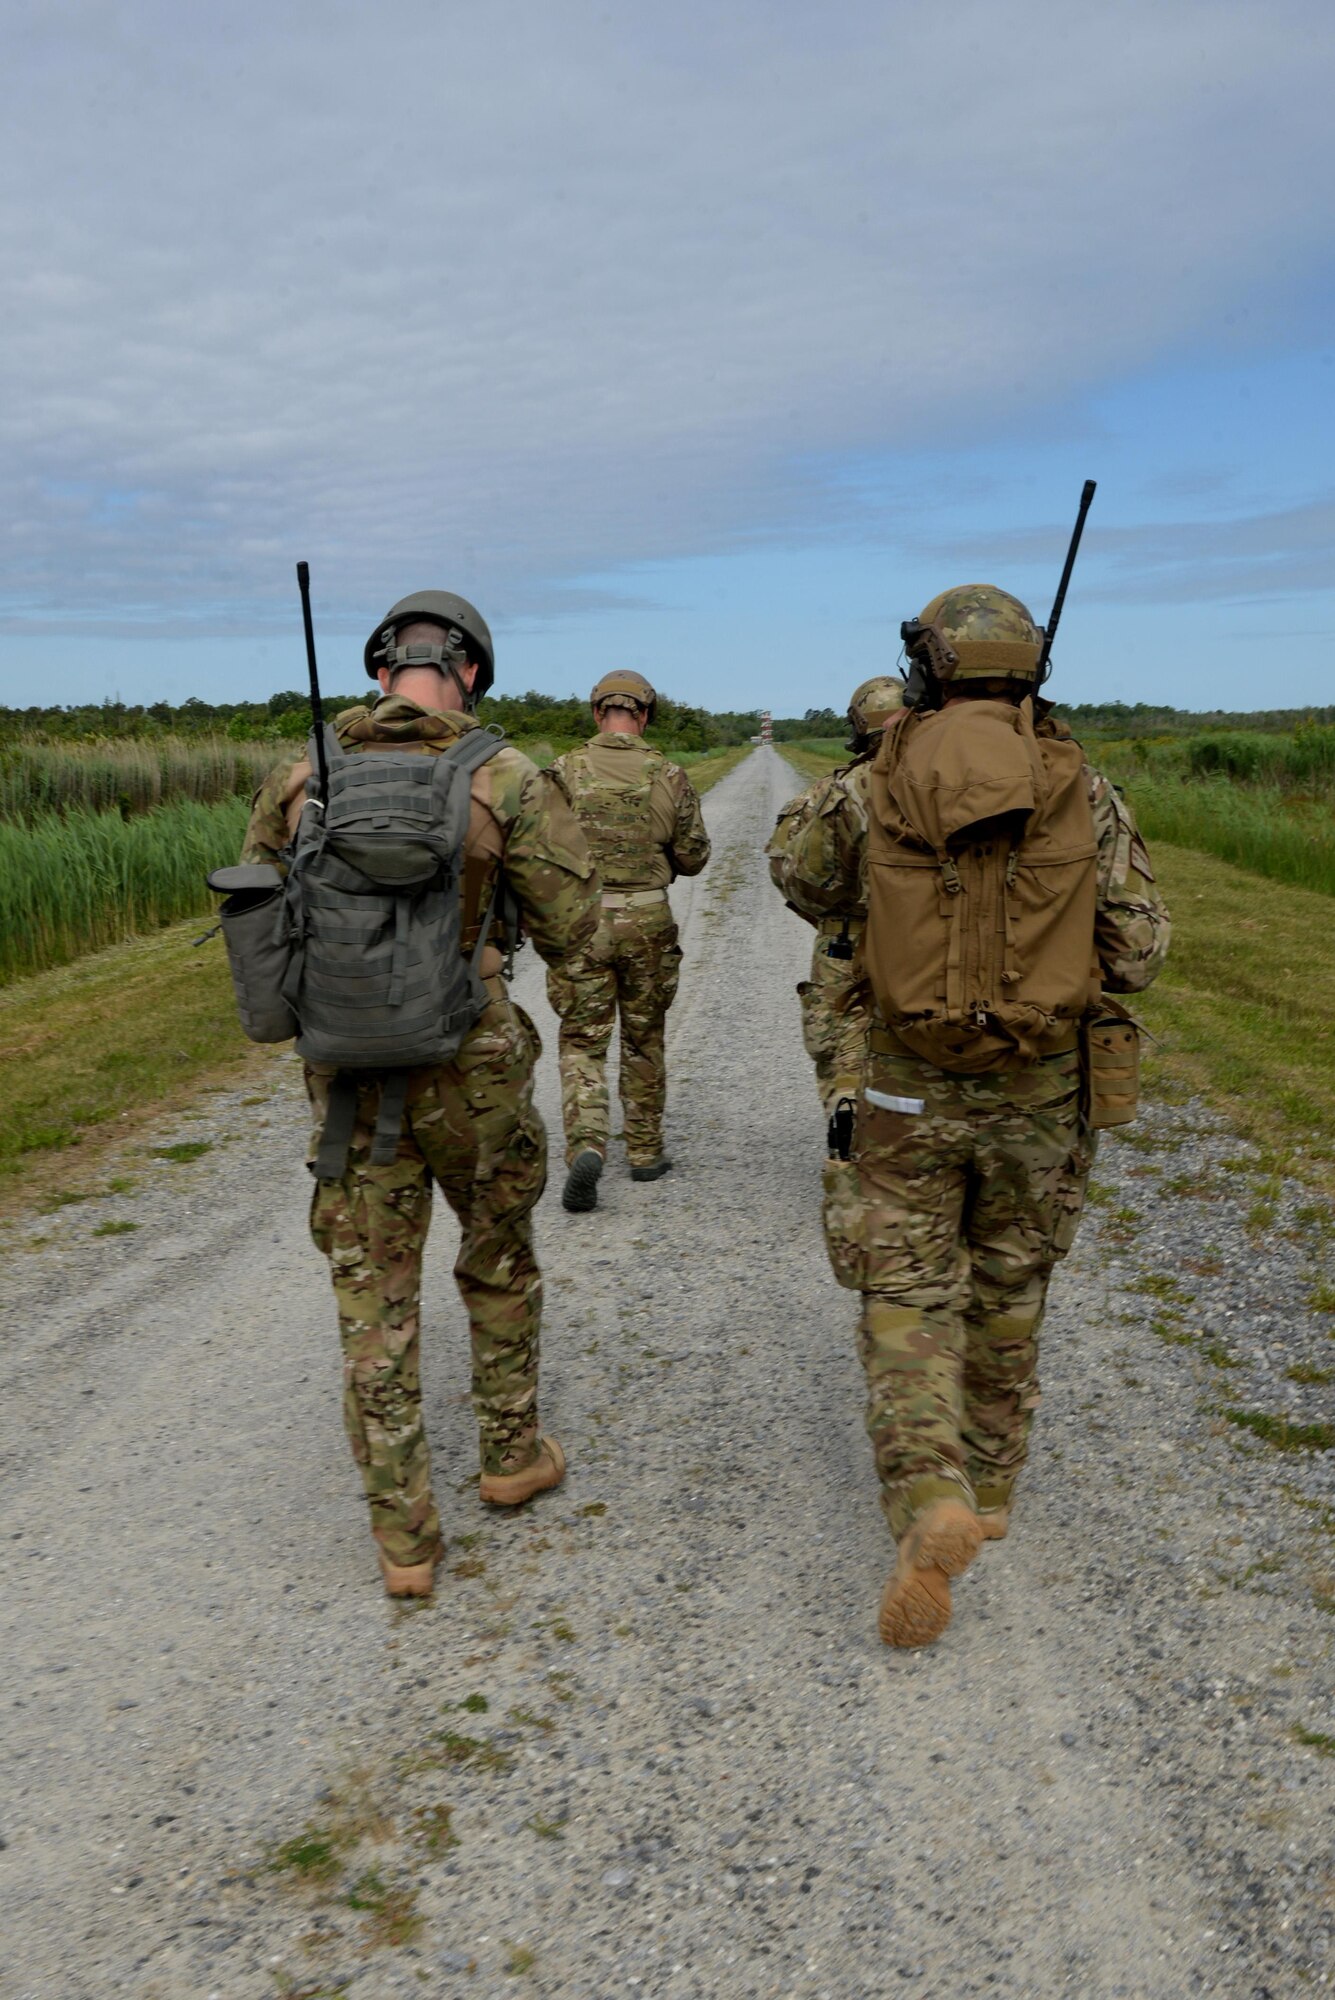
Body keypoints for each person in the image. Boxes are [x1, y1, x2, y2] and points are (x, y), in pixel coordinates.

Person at [777, 585, 1170, 1648]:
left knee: (905, 1293)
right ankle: (989, 1489)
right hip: (1043, 1091)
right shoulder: (1086, 786)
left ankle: (926, 1491)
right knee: (1009, 1281)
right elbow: (1137, 949)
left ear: (929, 667)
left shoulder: (877, 777)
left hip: (906, 1081)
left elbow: (802, 881)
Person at [241, 591, 600, 1597]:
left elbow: (259, 907)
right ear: (472, 670)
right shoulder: (508, 774)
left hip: (349, 1073)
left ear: (380, 666)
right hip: (474, 1063)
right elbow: (577, 928)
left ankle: (404, 1540)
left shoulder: (304, 772)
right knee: (496, 1260)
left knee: (373, 1298)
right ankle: (510, 1454)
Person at [546, 670, 711, 1212]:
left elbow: (538, 854)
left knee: (582, 1041)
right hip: (647, 921)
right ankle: (643, 1152)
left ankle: (587, 1144)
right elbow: (694, 856)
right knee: (644, 1037)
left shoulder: (564, 771)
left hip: (583, 923)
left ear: (598, 713)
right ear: (644, 715)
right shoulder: (668, 773)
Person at [766, 676, 903, 1115]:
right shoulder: (949, 783)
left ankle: (847, 1140)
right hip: (929, 943)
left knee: (843, 1055)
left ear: (860, 726)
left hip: (846, 942)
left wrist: (833, 911)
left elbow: (795, 875)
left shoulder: (833, 792)